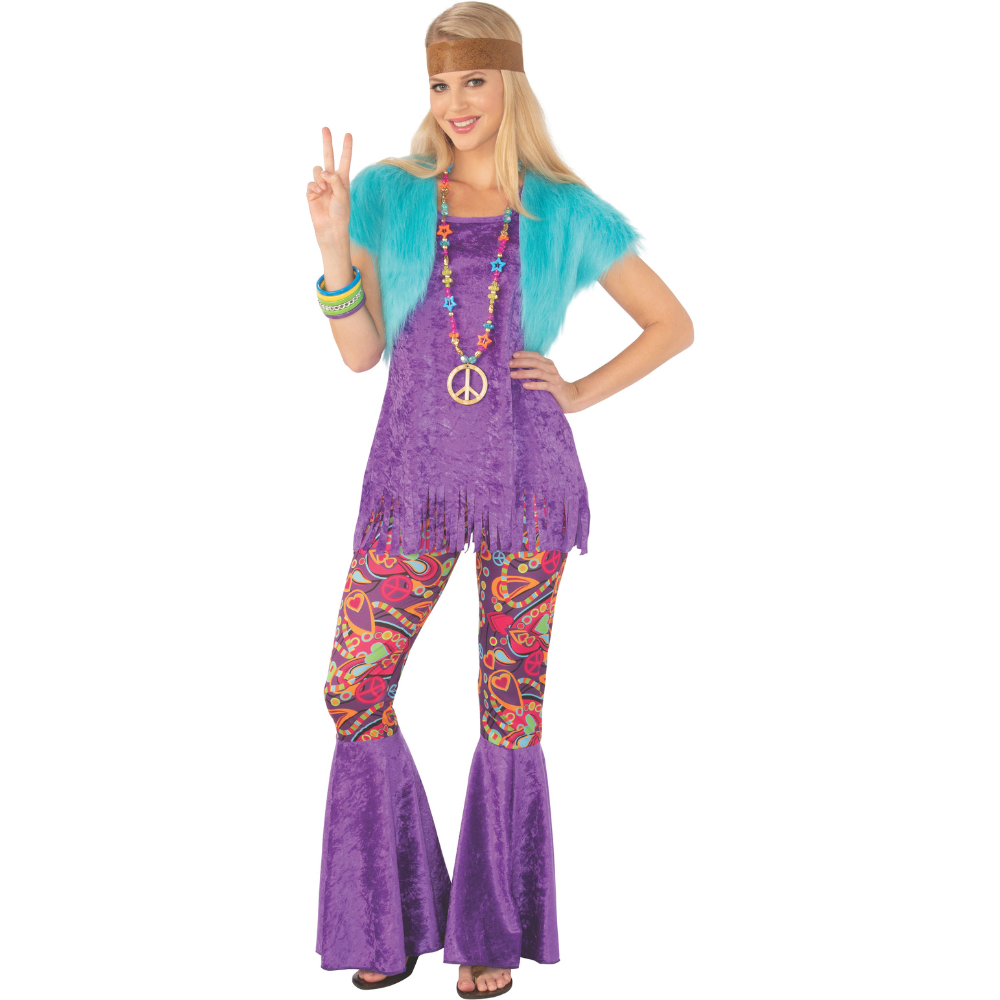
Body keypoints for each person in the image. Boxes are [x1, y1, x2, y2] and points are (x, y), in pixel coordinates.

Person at [305, 3, 693, 995]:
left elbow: (672, 323)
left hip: (528, 483)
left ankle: (489, 932)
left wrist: (577, 389)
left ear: (509, 84)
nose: (455, 103)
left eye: (473, 80)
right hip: (411, 486)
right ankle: (388, 918)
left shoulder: (562, 208)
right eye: (440, 84)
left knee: (510, 702)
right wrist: (334, 246)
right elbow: (359, 355)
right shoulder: (389, 193)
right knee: (354, 687)